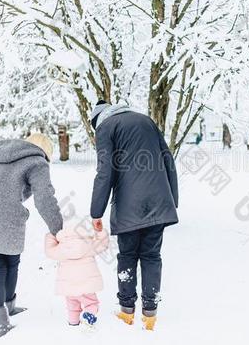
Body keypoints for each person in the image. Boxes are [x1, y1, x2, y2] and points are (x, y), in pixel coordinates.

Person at [0, 134, 63, 337]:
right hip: (5, 219)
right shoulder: (37, 161)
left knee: (9, 262)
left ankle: (9, 306)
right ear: (46, 150)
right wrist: (58, 229)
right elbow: (45, 198)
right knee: (1, 266)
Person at [89, 100, 179, 331]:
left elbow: (105, 171)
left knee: (127, 255)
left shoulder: (105, 127)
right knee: (151, 255)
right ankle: (150, 315)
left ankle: (127, 312)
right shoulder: (146, 120)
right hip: (159, 202)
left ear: (97, 118)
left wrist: (96, 212)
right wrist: (172, 199)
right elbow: (168, 159)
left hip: (129, 204)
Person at [44, 223, 109, 328]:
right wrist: (100, 231)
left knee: (72, 305)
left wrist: (51, 234)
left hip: (68, 285)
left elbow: (49, 251)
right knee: (91, 303)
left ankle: (73, 322)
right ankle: (88, 317)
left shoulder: (61, 248)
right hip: (87, 284)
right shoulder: (88, 244)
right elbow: (103, 243)